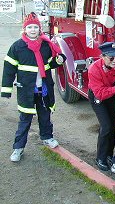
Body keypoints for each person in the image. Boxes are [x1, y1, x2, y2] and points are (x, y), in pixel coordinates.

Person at [1, 12, 66, 162]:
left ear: (39, 29)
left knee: (45, 116)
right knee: (25, 120)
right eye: (29, 27)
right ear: (24, 29)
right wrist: (6, 90)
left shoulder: (46, 45)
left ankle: (47, 137)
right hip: (26, 91)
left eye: (35, 27)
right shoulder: (17, 47)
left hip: (43, 89)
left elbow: (50, 64)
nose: (32, 30)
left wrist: (60, 59)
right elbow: (9, 69)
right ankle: (18, 148)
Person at [88, 41, 115, 171]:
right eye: (111, 58)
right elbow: (99, 94)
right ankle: (100, 157)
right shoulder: (94, 69)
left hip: (112, 95)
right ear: (103, 57)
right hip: (98, 97)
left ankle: (109, 155)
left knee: (113, 125)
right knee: (106, 126)